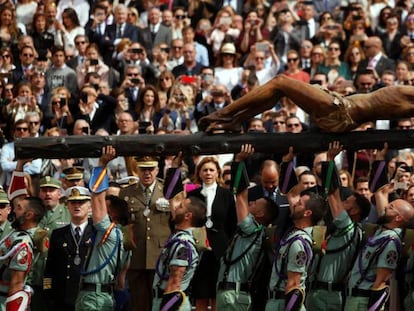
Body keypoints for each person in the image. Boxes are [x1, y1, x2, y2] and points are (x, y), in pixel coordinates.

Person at [199, 74, 414, 133]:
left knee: (280, 81)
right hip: (339, 109)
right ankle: (234, 120)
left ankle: (222, 114)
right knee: (276, 91)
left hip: (340, 112)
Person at [216, 144, 279, 311]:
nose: (251, 202)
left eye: (256, 203)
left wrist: (238, 161)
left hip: (234, 297)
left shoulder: (251, 229)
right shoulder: (253, 231)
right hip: (232, 295)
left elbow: (241, 196)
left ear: (260, 215)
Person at [151, 152, 206, 311]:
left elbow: (175, 282)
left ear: (188, 216)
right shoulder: (178, 236)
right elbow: (173, 198)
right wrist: (175, 166)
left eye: (181, 207)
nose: (175, 207)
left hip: (171, 304)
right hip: (164, 300)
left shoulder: (183, 244)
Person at [75, 146, 126, 310]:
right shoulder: (122, 237)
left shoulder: (108, 231)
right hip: (104, 296)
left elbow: (96, 198)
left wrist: (102, 165)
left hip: (93, 298)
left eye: (106, 207)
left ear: (111, 213)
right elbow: (121, 282)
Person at [118, 155, 170, 311]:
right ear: (137, 170)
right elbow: (121, 224)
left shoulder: (166, 190)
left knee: (160, 302)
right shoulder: (126, 193)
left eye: (151, 169)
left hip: (160, 255)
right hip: (136, 256)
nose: (147, 173)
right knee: (139, 302)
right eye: (143, 169)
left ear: (157, 170)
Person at [266, 187, 326, 311]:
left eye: (299, 204)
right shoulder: (293, 235)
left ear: (307, 213)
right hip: (276, 302)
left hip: (284, 304)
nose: (294, 204)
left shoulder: (298, 242)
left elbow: (294, 284)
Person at [43, 184, 95, 311]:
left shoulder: (95, 232)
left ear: (89, 206)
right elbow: (49, 268)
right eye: (73, 203)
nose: (77, 206)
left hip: (88, 296)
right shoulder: (58, 234)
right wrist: (48, 292)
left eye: (81, 202)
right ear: (67, 205)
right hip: (62, 297)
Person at [0, 195, 46, 311]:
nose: (14, 210)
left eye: (19, 208)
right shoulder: (16, 234)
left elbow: (17, 282)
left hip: (4, 301)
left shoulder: (22, 244)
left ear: (29, 215)